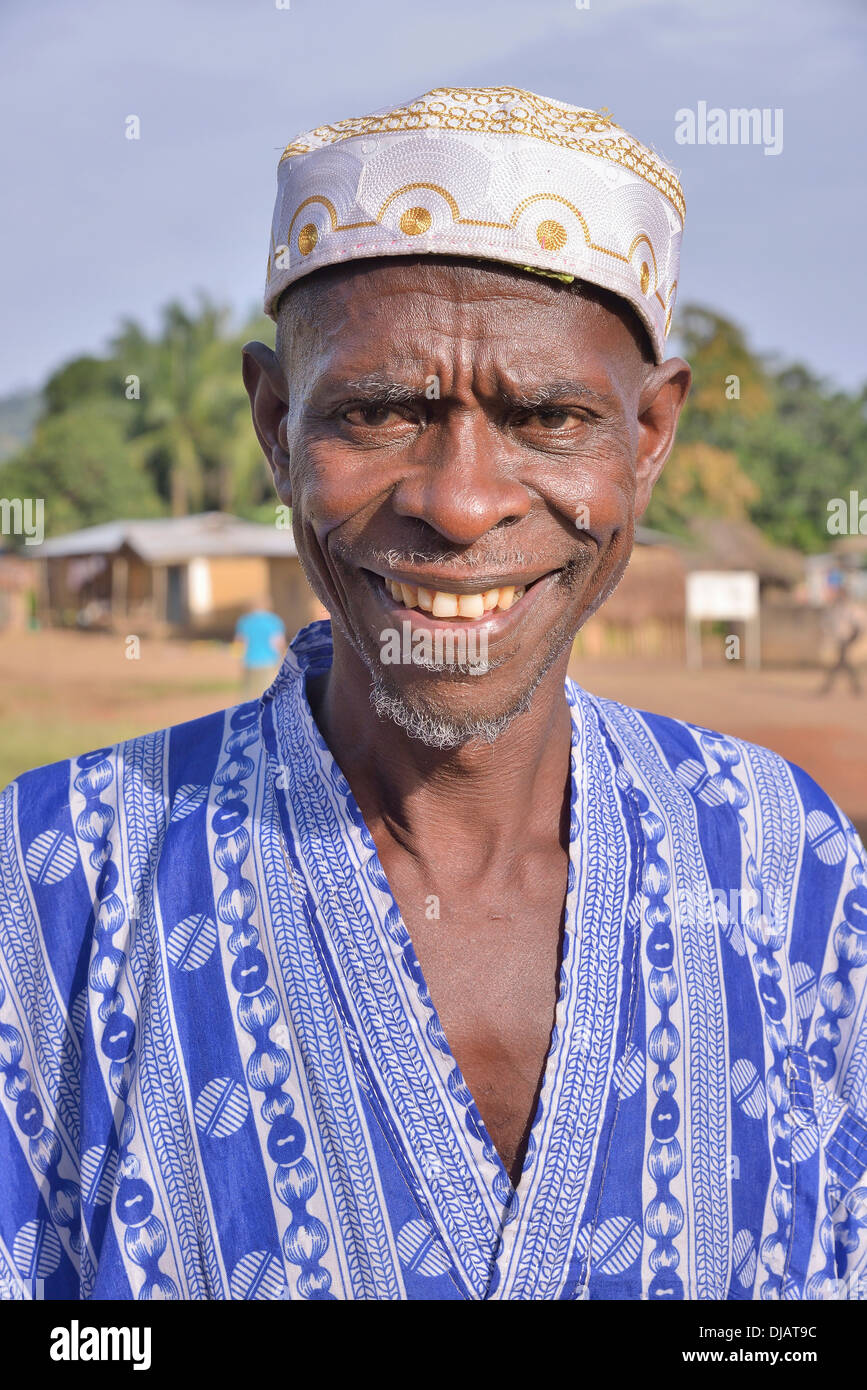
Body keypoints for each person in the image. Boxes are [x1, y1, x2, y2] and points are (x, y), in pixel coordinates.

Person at [1, 87, 866, 1301]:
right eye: (379, 410)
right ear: (274, 424)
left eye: (550, 416)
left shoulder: (786, 861)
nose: (460, 504)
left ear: (652, 436)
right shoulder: (53, 888)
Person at [233, 595, 286, 697]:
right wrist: (281, 659)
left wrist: (240, 659)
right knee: (267, 694)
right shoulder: (274, 621)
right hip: (268, 662)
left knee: (247, 694)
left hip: (249, 662)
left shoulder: (244, 621)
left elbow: (240, 643)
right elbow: (279, 643)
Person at [819, 582, 864, 695]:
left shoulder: (851, 609)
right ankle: (855, 687)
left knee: (841, 663)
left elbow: (858, 626)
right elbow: (827, 624)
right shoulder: (836, 608)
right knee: (843, 663)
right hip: (839, 640)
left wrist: (852, 639)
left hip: (847, 640)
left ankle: (827, 686)